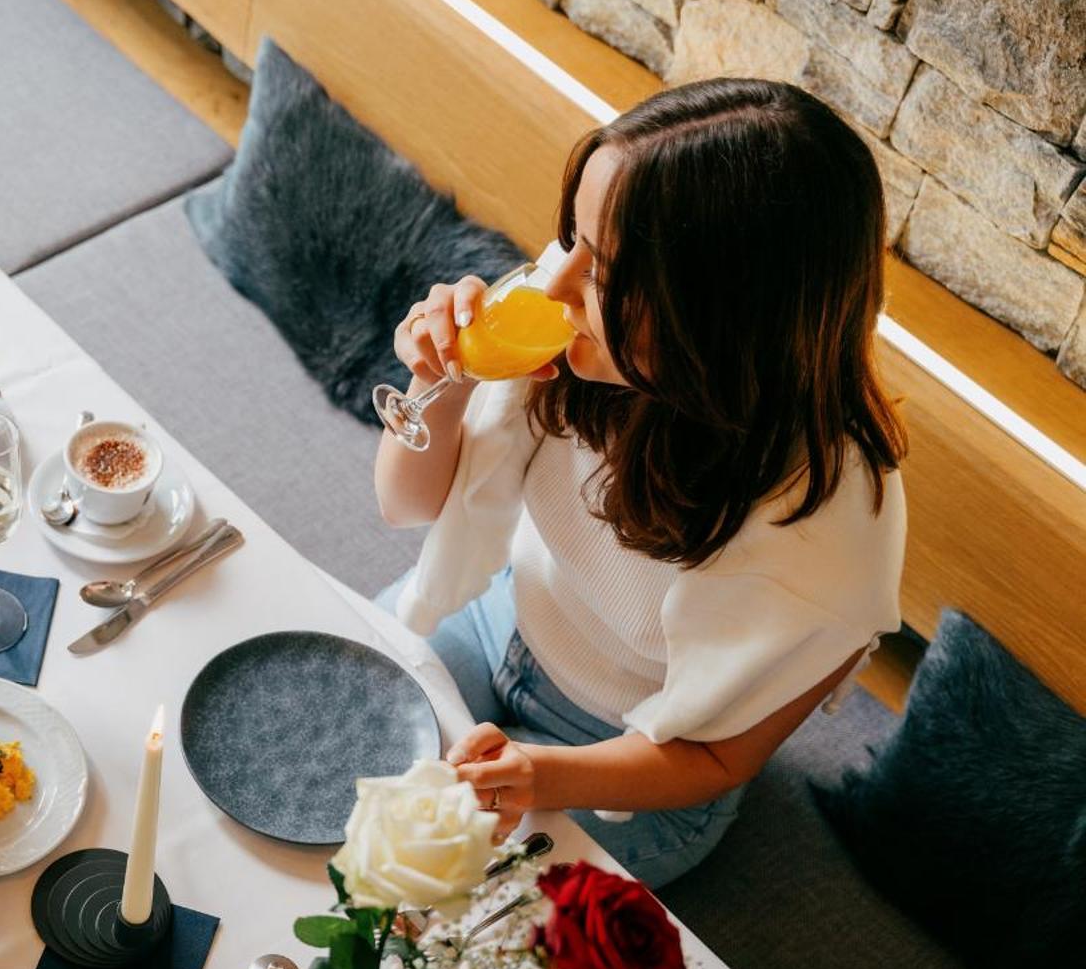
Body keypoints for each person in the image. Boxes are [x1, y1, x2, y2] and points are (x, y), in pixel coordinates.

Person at [375, 78, 906, 886]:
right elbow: (407, 503)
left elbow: (717, 754)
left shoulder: (828, 534)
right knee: (330, 730)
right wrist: (435, 382)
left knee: (431, 895)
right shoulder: (570, 327)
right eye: (572, 241)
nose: (552, 283)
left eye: (603, 274)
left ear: (720, 318)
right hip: (494, 625)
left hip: (636, 766)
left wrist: (543, 772)